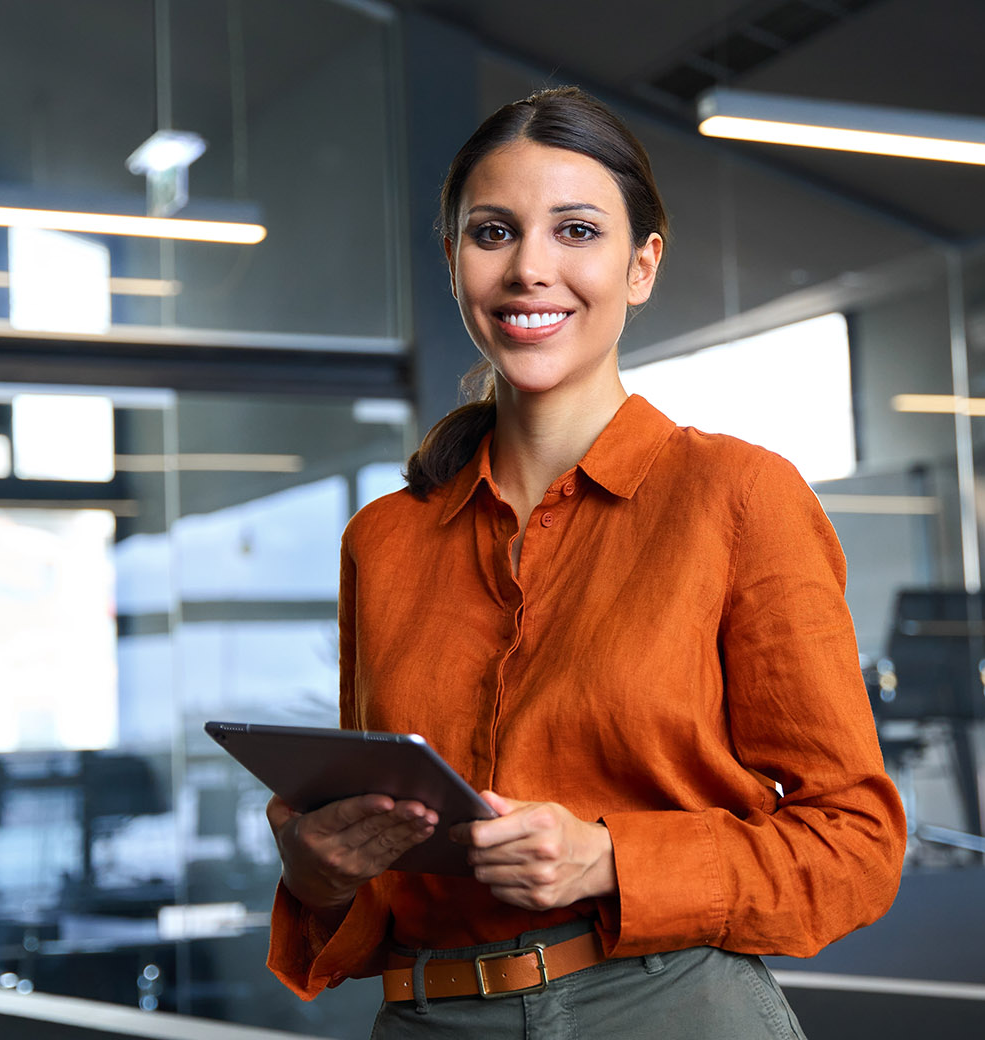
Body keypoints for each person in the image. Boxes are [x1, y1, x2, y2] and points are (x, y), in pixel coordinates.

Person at [265, 85, 905, 1038]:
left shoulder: (738, 495)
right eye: (493, 233)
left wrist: (609, 860)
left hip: (667, 1009)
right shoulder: (386, 539)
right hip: (425, 1016)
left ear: (642, 265)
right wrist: (319, 869)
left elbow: (855, 847)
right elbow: (380, 866)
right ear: (452, 263)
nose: (531, 269)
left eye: (575, 231)